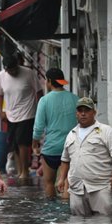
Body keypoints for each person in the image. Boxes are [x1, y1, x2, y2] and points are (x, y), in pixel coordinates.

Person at [56, 97, 112, 217]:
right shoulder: (71, 134)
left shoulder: (106, 131)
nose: (83, 114)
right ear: (76, 113)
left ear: (94, 112)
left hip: (101, 187)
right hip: (77, 188)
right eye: (80, 110)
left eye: (87, 110)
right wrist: (61, 179)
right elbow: (65, 160)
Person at [0, 50, 43, 181]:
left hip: (28, 113)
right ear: (6, 69)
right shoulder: (1, 76)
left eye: (15, 69)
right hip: (10, 114)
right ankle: (20, 170)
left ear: (18, 65)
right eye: (10, 70)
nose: (13, 72)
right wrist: (0, 111)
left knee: (23, 142)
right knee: (14, 144)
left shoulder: (29, 73)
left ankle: (25, 172)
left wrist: (40, 110)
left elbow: (39, 92)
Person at [32, 67, 79, 200]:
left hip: (51, 149)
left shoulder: (44, 101)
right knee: (67, 183)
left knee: (49, 183)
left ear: (49, 81)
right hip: (71, 147)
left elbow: (38, 127)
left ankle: (52, 213)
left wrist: (34, 143)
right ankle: (67, 214)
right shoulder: (75, 99)